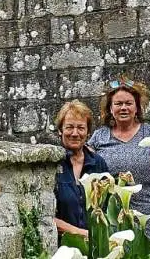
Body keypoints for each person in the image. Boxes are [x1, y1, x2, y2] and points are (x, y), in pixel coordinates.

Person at [86, 80, 150, 240]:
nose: (123, 108)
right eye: (118, 104)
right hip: (114, 220)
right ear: (110, 108)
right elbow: (89, 177)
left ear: (137, 108)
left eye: (129, 103)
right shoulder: (99, 137)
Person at [54, 100, 109, 238]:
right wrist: (82, 234)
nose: (75, 133)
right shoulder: (52, 165)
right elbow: (45, 217)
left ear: (88, 132)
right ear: (60, 131)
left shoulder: (98, 164)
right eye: (69, 127)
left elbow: (107, 209)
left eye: (81, 128)